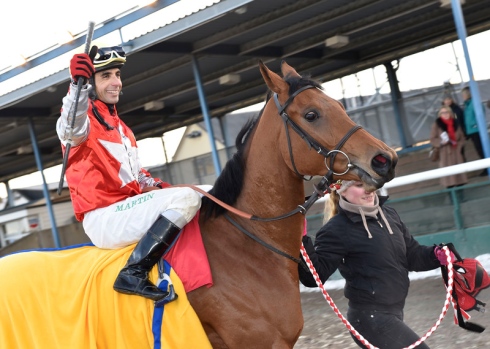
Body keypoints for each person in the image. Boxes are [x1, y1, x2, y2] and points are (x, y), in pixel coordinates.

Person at [56, 46, 201, 302]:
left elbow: (137, 176)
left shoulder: (123, 128)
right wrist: (75, 86)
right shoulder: (84, 119)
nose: (115, 82)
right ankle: (133, 272)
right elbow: (69, 126)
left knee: (206, 192)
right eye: (105, 76)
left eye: (117, 75)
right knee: (187, 198)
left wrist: (160, 186)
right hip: (105, 218)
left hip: (128, 208)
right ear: (90, 83)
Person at [298, 180, 453, 349]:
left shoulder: (389, 214)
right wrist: (300, 239)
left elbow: (412, 255)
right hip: (369, 319)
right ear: (342, 191)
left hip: (394, 312)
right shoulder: (336, 229)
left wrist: (437, 255)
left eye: (369, 183)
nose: (369, 190)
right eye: (359, 185)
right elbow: (314, 277)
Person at [430, 106, 467, 189]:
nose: (445, 114)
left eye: (447, 112)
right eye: (443, 113)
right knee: (448, 177)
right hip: (445, 153)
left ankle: (461, 196)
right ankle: (452, 197)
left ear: (450, 113)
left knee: (459, 176)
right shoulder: (437, 124)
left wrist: (459, 146)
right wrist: (441, 142)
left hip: (456, 151)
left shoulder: (456, 123)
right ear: (440, 114)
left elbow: (462, 137)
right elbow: (433, 139)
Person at [461, 86, 487, 176]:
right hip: (472, 131)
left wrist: (474, 125)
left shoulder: (473, 104)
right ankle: (486, 166)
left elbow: (479, 115)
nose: (462, 96)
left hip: (476, 130)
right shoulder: (468, 105)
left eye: (463, 94)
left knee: (482, 149)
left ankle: (487, 166)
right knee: (479, 149)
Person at [442, 96, 466, 161]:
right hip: (448, 135)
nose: (447, 101)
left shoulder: (457, 109)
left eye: (449, 99)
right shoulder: (442, 111)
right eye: (446, 99)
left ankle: (464, 166)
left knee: (460, 151)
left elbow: (461, 120)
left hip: (457, 133)